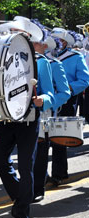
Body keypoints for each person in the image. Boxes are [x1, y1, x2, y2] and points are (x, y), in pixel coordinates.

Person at [0, 17, 55, 218]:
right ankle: (21, 197)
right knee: (0, 162)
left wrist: (43, 100)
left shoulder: (41, 62)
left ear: (27, 37)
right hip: (7, 119)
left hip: (29, 120)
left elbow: (52, 94)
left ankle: (22, 211)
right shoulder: (0, 60)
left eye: (16, 32)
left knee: (25, 165)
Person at [47, 28, 89, 186]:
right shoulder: (47, 56)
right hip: (48, 100)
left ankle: (59, 173)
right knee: (43, 139)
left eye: (60, 40)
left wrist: (67, 88)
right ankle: (41, 175)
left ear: (65, 42)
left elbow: (84, 80)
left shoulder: (76, 57)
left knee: (59, 138)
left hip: (67, 100)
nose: (58, 44)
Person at [33, 34, 71, 202]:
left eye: (37, 43)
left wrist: (48, 106)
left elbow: (64, 92)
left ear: (45, 46)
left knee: (41, 152)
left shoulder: (53, 64)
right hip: (24, 116)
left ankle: (38, 187)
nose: (33, 45)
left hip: (45, 115)